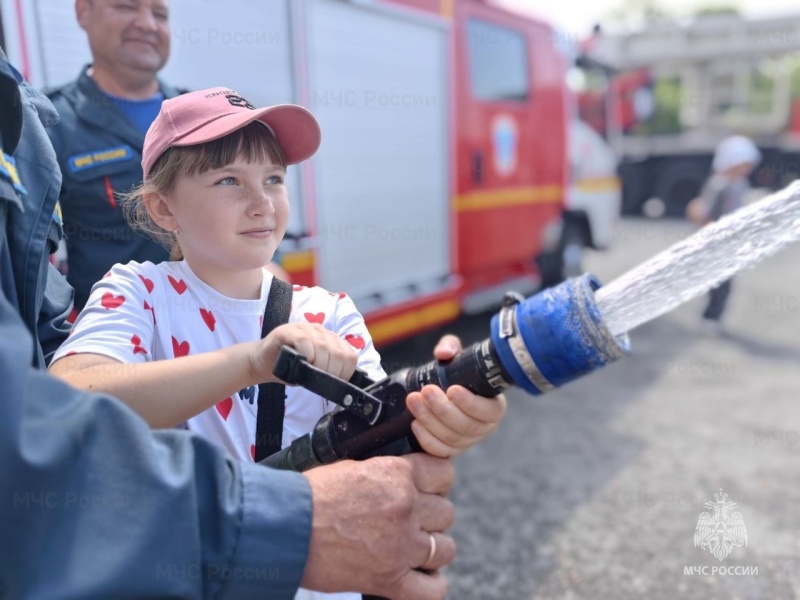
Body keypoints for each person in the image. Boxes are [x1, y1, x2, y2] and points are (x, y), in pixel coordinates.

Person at [0, 51, 470, 600]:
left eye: (274, 178)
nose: (261, 202)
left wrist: (446, 412)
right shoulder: (137, 293)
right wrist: (251, 361)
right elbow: (72, 400)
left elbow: (381, 438)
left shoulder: (329, 311)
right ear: (163, 209)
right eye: (229, 180)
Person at [46, 0, 287, 312]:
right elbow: (29, 259)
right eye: (126, 7)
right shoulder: (50, 123)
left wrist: (284, 305)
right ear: (83, 12)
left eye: (159, 14)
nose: (147, 24)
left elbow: (257, 217)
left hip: (228, 325)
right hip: (124, 340)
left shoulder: (211, 117)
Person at [686, 135, 761, 334]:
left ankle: (714, 316)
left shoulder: (740, 185)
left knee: (725, 283)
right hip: (716, 243)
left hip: (730, 244)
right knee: (717, 282)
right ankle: (709, 317)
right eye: (743, 164)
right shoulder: (719, 184)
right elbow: (703, 212)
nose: (746, 169)